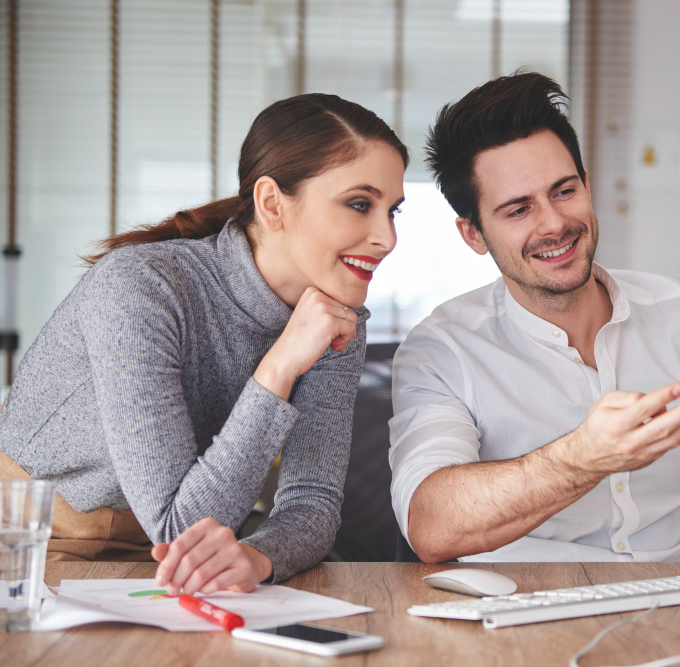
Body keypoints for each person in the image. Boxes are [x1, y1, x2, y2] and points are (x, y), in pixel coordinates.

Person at [0, 94, 407, 592]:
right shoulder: (141, 287)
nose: (386, 237)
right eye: (360, 205)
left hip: (168, 557)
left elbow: (313, 503)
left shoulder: (336, 319)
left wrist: (257, 557)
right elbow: (179, 531)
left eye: (393, 211)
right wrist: (278, 367)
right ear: (272, 204)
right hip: (25, 541)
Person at [388, 72, 680, 564]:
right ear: (473, 234)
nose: (554, 224)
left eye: (564, 191)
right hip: (520, 619)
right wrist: (583, 457)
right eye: (518, 209)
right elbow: (432, 524)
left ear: (587, 185)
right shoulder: (442, 349)